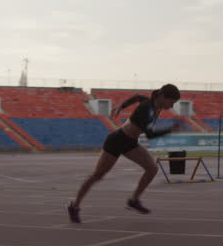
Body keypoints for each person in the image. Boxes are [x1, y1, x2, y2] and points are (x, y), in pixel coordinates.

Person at [68, 84, 181, 223]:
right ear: (162, 96)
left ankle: (134, 200)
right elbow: (150, 134)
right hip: (117, 141)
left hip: (130, 143)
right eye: (171, 102)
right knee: (97, 175)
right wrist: (170, 129)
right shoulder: (147, 109)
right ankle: (74, 206)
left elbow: (138, 97)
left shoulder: (154, 105)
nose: (172, 106)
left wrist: (122, 106)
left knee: (152, 168)